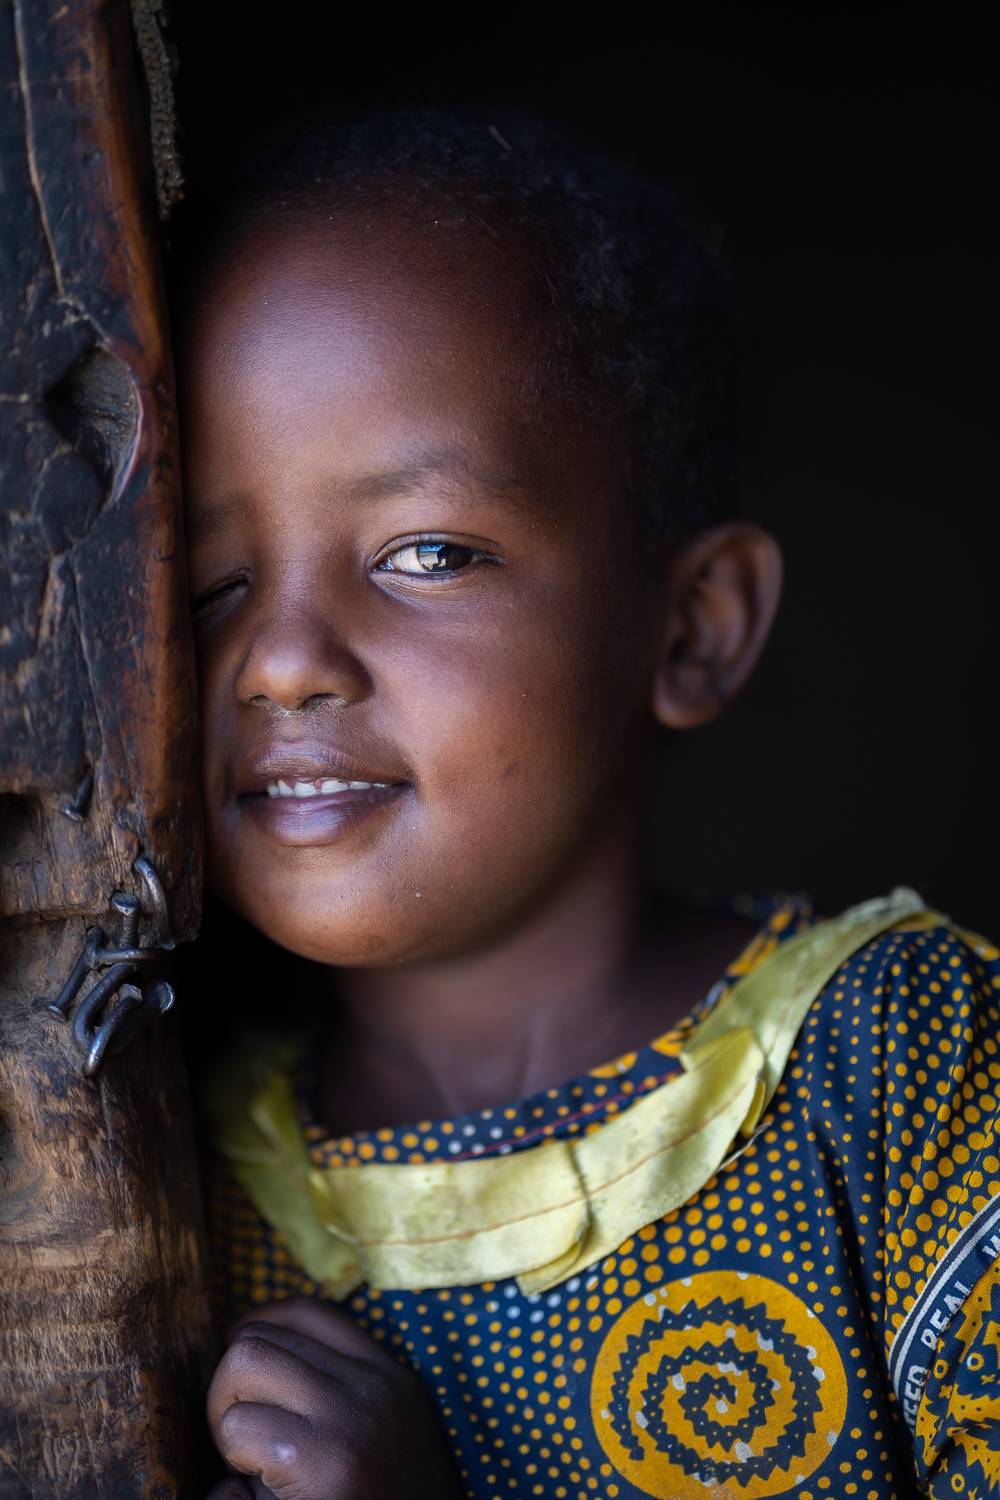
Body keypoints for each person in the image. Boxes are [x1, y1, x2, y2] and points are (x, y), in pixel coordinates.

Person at [174, 108, 1000, 1500]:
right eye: (210, 585)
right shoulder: (152, 1156)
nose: (283, 661)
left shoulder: (898, 1068)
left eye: (429, 553)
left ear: (692, 627)